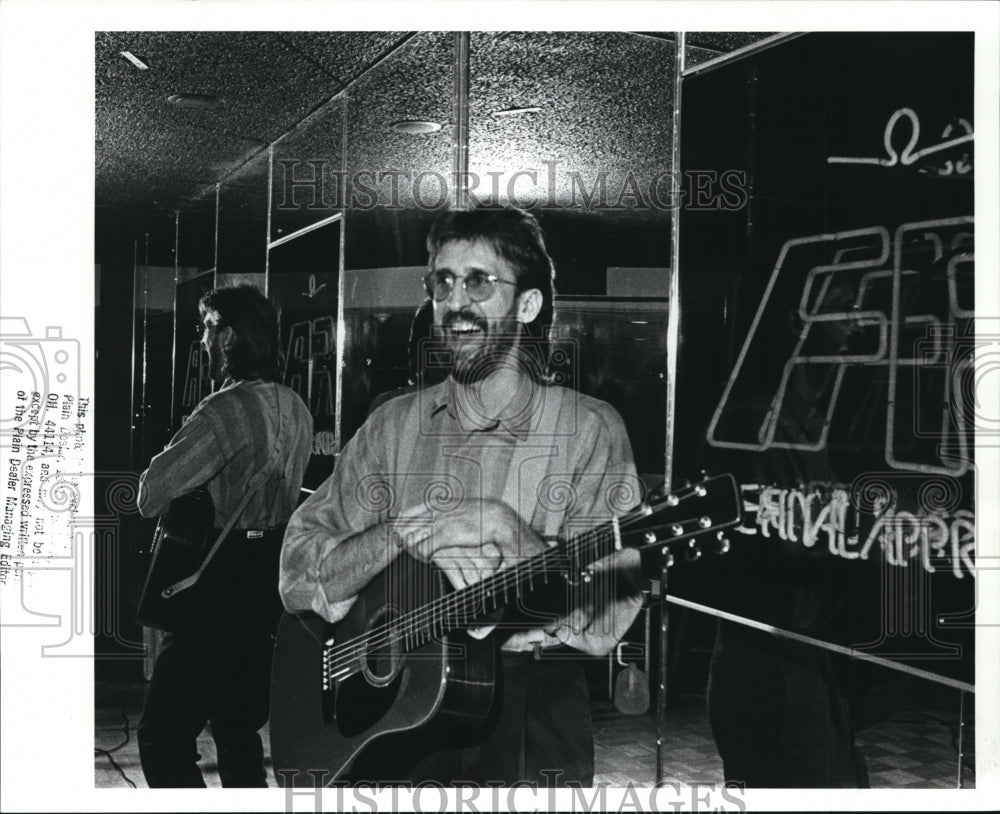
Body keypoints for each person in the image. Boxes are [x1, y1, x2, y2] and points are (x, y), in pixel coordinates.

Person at [279, 206, 642, 786]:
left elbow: (608, 610)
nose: (456, 302)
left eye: (479, 281)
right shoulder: (392, 426)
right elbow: (300, 563)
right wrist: (403, 534)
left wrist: (505, 528)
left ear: (527, 305)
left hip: (526, 715)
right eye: (443, 281)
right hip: (392, 717)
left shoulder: (589, 429)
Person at [136, 284, 312, 787]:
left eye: (208, 327)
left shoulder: (223, 411)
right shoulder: (295, 406)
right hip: (265, 586)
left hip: (213, 587)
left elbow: (153, 492)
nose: (204, 339)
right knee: (237, 729)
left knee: (163, 735)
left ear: (229, 335)